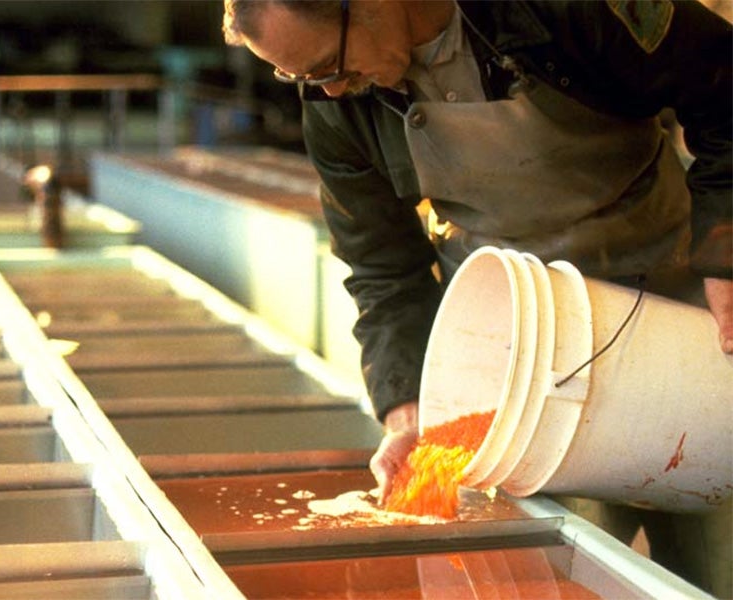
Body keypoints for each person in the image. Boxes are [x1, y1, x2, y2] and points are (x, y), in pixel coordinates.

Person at [223, 1, 732, 595]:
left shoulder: (559, 11)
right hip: (523, 361)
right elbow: (383, 268)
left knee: (720, 548)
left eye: (326, 65)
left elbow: (723, 86)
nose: (331, 90)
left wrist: (725, 250)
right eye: (301, 78)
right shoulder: (340, 112)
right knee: (568, 570)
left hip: (677, 308)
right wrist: (409, 405)